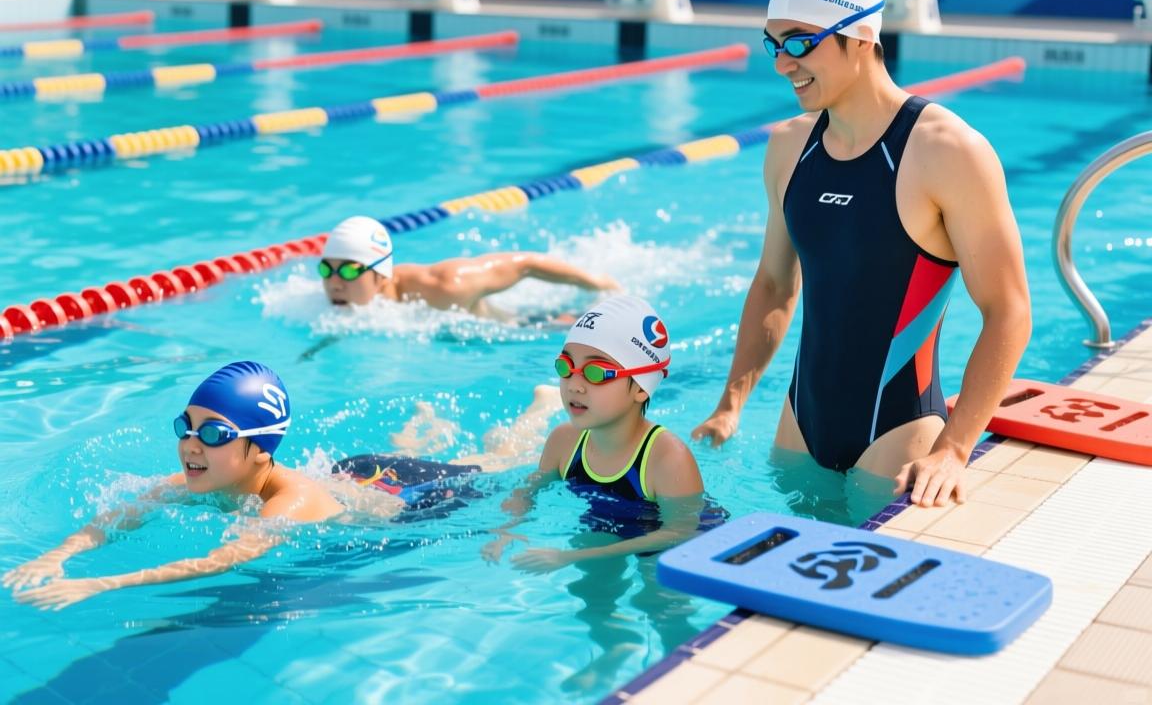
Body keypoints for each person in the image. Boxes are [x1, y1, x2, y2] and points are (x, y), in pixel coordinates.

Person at [690, 0, 1031, 509]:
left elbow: (1010, 309)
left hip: (899, 436)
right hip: (800, 428)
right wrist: (731, 404)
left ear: (860, 35)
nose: (782, 63)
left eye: (800, 42)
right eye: (774, 44)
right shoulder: (787, 148)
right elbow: (775, 286)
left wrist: (955, 448)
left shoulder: (946, 150)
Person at [4, 361, 562, 610]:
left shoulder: (290, 502)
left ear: (259, 448)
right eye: (187, 426)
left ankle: (536, 414)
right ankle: (424, 431)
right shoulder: (200, 474)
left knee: (494, 465)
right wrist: (61, 555)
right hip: (354, 471)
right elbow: (122, 513)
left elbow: (226, 559)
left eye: (215, 433)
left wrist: (100, 586)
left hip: (410, 501)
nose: (192, 445)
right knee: (464, 455)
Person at [483, 295, 712, 572]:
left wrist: (570, 557)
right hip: (602, 523)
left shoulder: (667, 458)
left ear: (641, 387)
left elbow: (680, 532)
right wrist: (507, 531)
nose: (574, 386)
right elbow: (528, 490)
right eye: (566, 367)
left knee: (658, 602)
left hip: (674, 543)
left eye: (596, 373)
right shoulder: (563, 442)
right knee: (592, 598)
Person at [317, 215, 619, 318]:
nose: (334, 283)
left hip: (511, 325)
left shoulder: (446, 285)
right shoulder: (321, 303)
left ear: (381, 275)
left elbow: (526, 264)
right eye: (326, 269)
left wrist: (596, 283)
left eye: (349, 270)